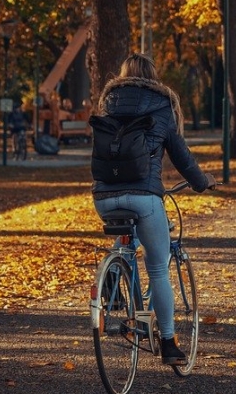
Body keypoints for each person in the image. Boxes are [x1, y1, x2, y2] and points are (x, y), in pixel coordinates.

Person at [91, 53, 216, 366]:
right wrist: (202, 182)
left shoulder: (108, 101)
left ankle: (115, 275)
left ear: (123, 75)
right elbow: (181, 157)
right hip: (145, 197)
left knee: (126, 238)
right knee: (158, 267)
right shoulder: (163, 104)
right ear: (153, 76)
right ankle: (169, 342)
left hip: (103, 198)